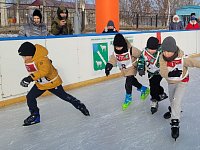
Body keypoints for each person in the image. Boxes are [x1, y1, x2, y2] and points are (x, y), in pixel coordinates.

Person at [18, 42, 90, 126]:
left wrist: (29, 78)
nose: (24, 58)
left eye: (25, 56)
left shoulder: (42, 59)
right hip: (41, 84)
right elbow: (35, 71)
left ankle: (79, 105)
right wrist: (28, 79)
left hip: (52, 83)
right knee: (30, 97)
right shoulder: (30, 60)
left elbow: (44, 71)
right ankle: (35, 115)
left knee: (65, 97)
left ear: (30, 53)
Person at [159, 36, 200, 140]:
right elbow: (162, 72)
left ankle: (175, 123)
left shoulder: (182, 58)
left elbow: (194, 63)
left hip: (182, 81)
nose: (166, 54)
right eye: (164, 51)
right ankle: (174, 110)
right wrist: (170, 73)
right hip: (171, 82)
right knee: (172, 100)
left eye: (169, 51)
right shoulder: (162, 58)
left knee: (176, 101)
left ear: (174, 50)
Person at [105, 33, 150, 110]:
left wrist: (142, 66)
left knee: (128, 81)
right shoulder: (115, 52)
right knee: (132, 81)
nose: (118, 48)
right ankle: (143, 89)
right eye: (116, 47)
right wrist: (108, 66)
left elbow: (142, 55)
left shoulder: (131, 50)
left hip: (132, 67)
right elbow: (113, 59)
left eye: (120, 46)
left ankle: (128, 98)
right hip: (124, 69)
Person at [137, 37, 168, 114]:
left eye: (153, 49)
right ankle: (161, 92)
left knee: (154, 85)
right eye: (149, 49)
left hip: (159, 72)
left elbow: (167, 59)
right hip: (150, 72)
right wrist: (140, 69)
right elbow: (141, 61)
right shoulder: (144, 52)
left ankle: (154, 99)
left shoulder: (161, 52)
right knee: (154, 85)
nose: (151, 51)